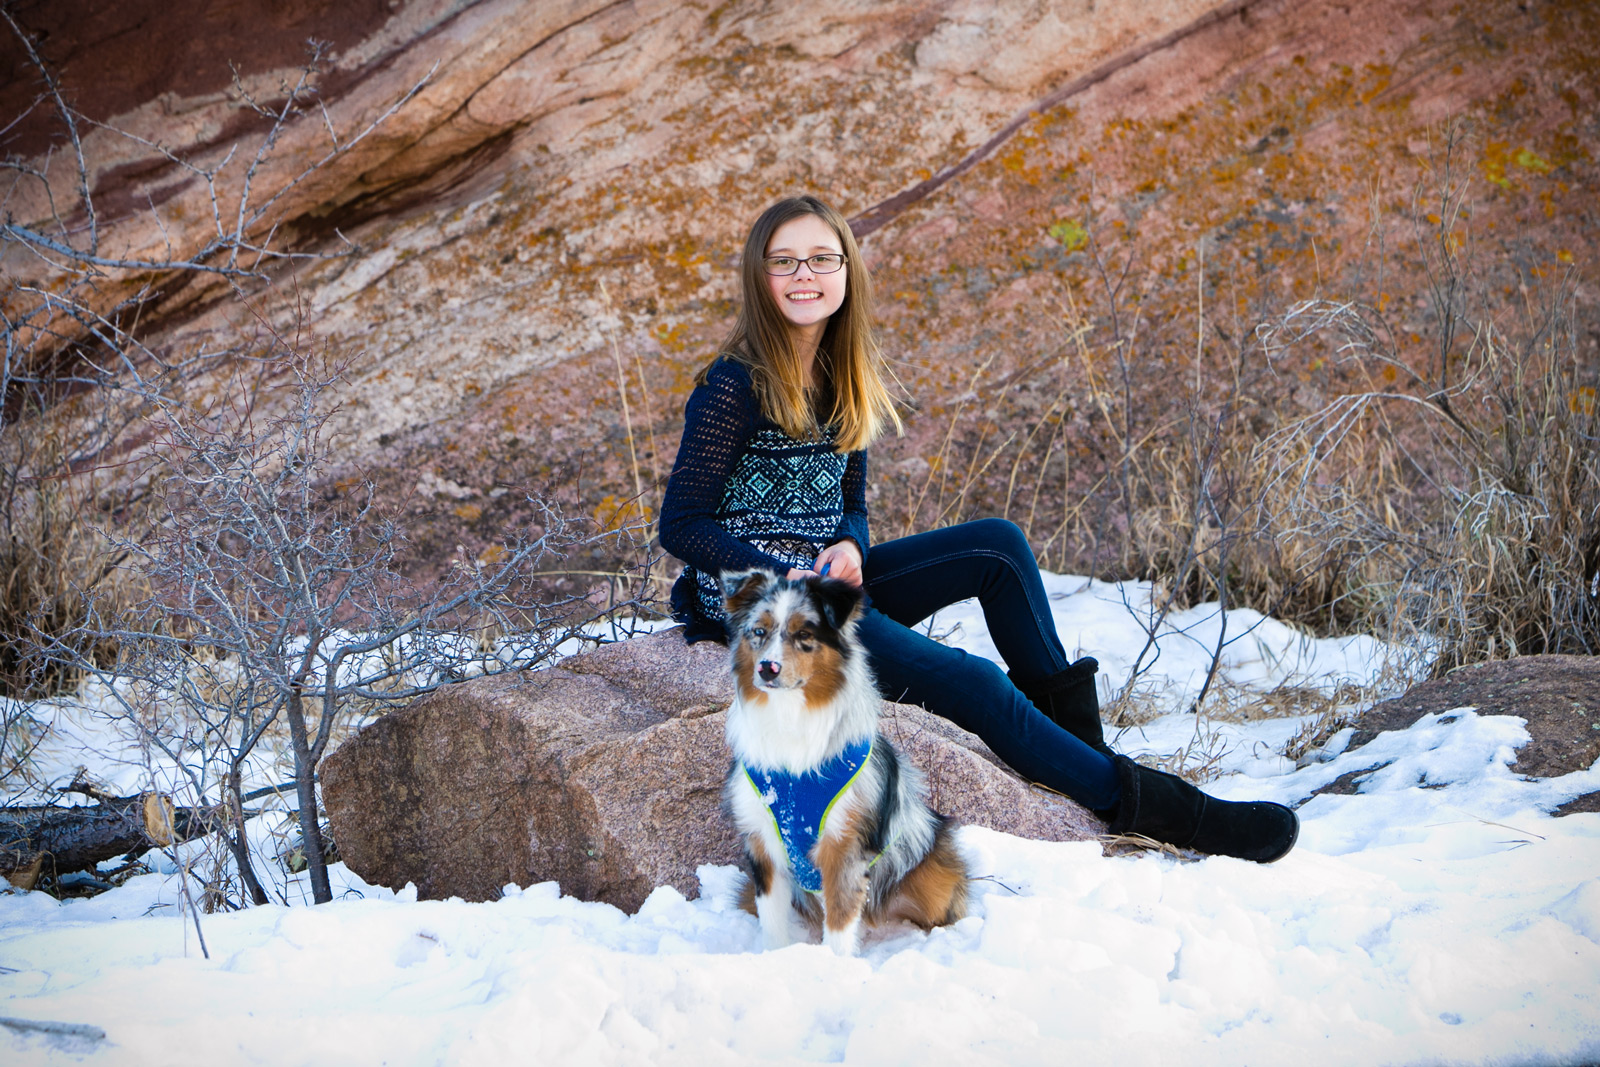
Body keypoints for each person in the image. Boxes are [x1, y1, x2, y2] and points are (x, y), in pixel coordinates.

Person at [657, 195, 1298, 863]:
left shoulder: (842, 371)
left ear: (847, 270)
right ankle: (1170, 813)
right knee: (978, 683)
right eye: (783, 261)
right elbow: (683, 522)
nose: (803, 275)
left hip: (830, 579)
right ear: (758, 277)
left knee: (998, 546)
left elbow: (853, 505)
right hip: (775, 609)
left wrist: (850, 546)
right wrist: (774, 573)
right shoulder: (732, 386)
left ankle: (1084, 757)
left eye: (821, 258)